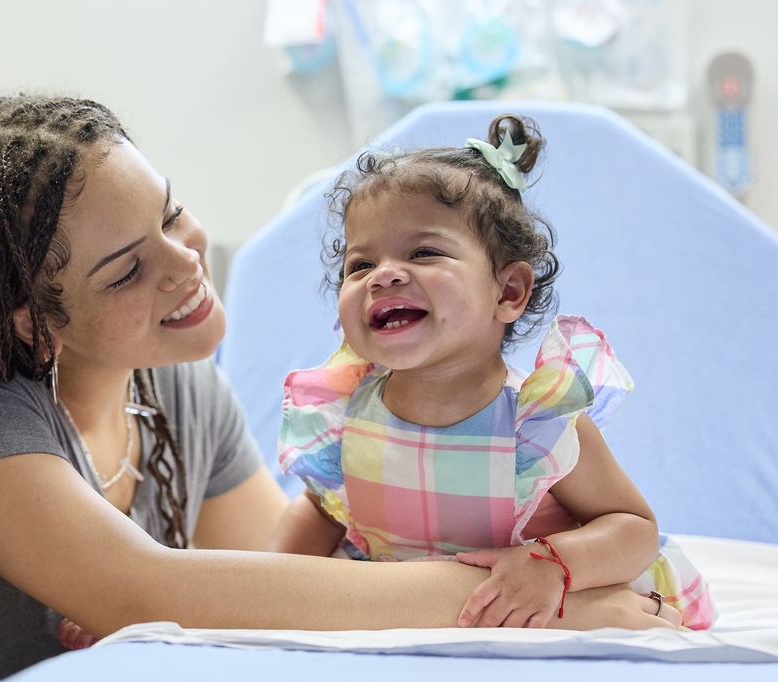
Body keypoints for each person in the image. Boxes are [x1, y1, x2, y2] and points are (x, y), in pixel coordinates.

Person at [0, 99, 680, 682]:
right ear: (33, 323)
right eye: (128, 267)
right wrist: (527, 610)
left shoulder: (172, 378)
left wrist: (547, 574)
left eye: (169, 212)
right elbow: (152, 590)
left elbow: (275, 598)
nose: (184, 262)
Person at [271, 114, 715, 632]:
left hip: (541, 614)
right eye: (359, 265)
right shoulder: (346, 412)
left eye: (424, 252)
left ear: (508, 293)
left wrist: (555, 563)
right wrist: (270, 589)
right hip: (411, 620)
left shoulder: (535, 423)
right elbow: (323, 513)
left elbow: (633, 529)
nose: (384, 275)